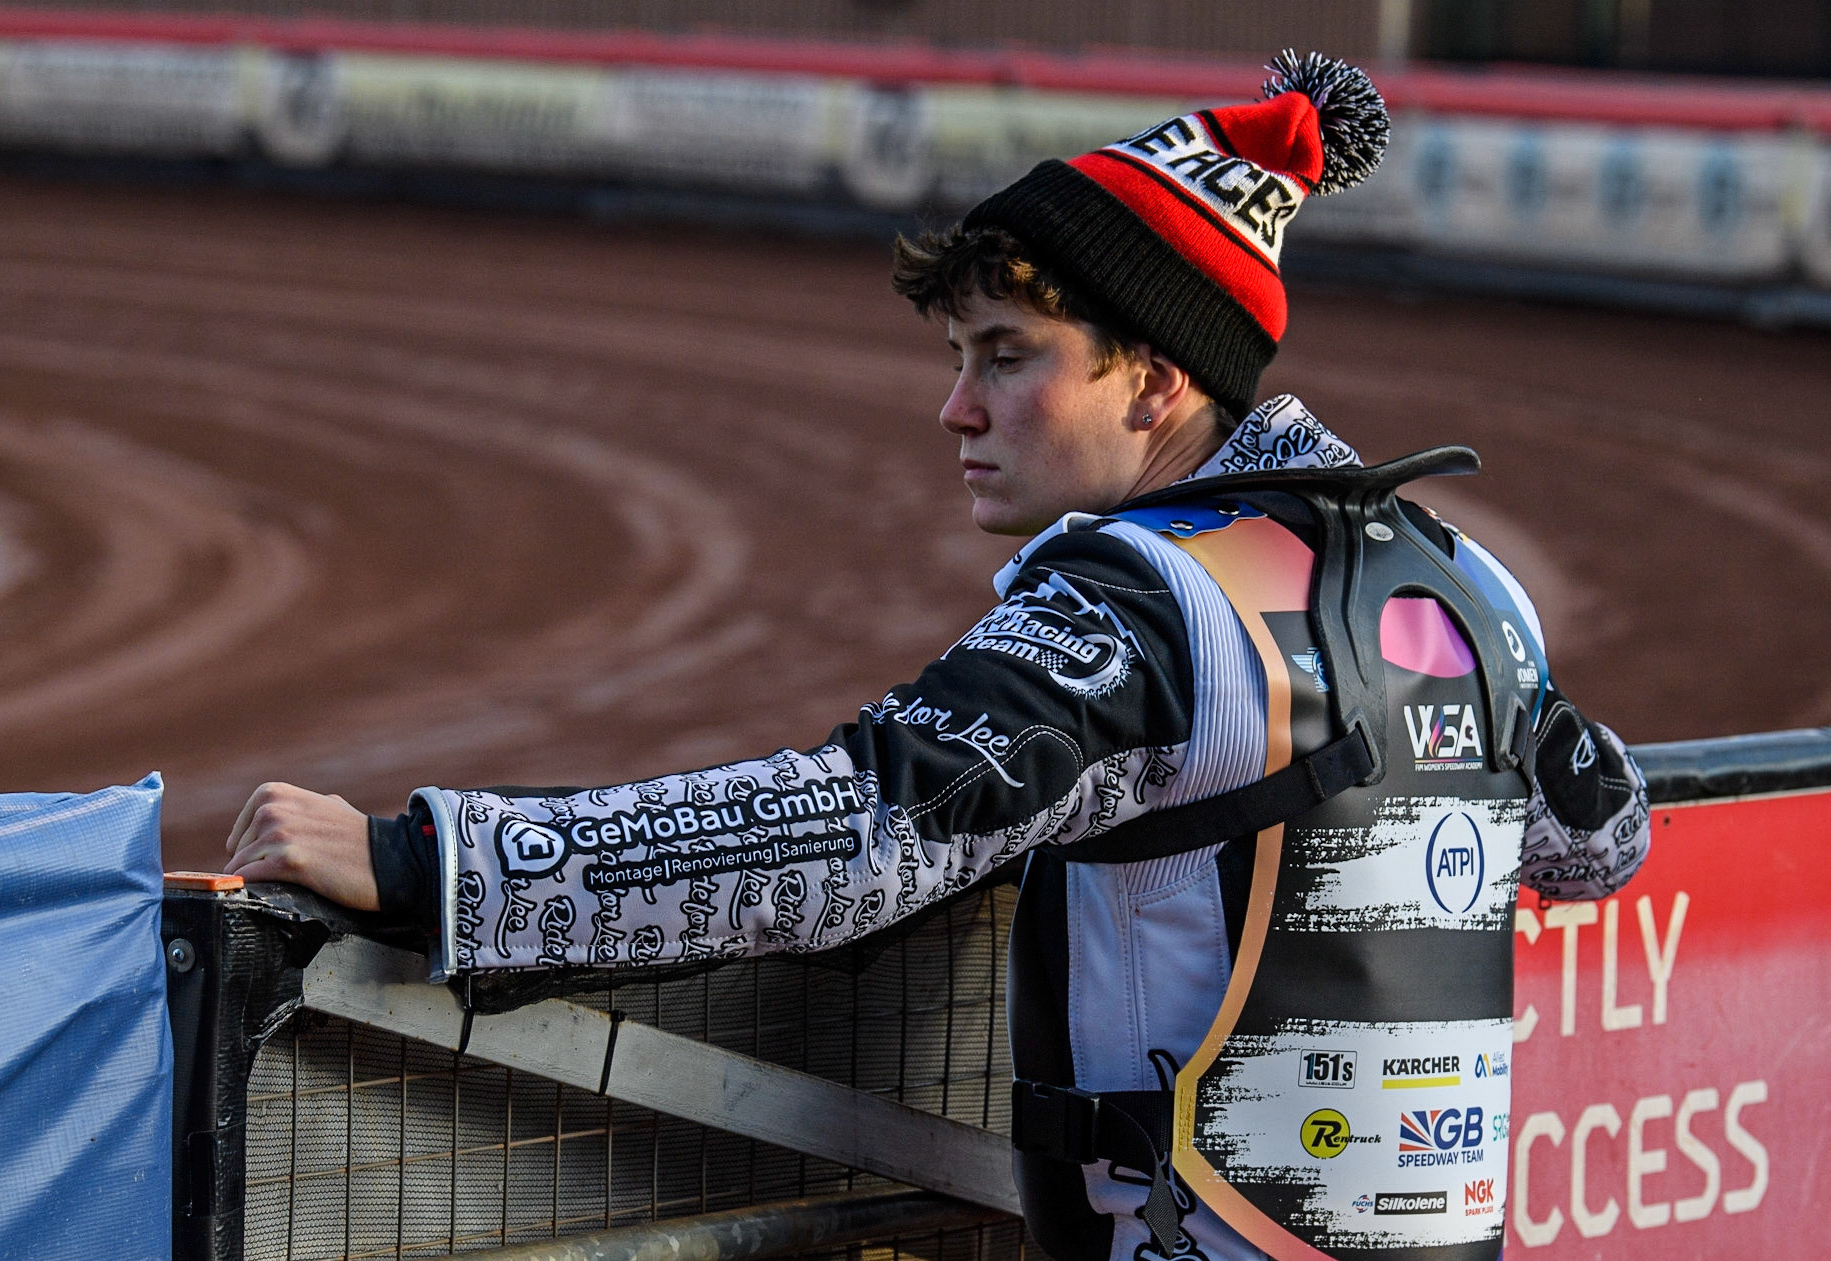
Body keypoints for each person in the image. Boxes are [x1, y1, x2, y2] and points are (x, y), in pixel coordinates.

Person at [225, 51, 1648, 1261]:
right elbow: (1604, 842)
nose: (956, 407)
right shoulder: (1470, 585)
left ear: (1154, 377)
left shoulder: (1138, 601)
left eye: (1007, 355)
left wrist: (440, 865)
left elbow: (851, 833)